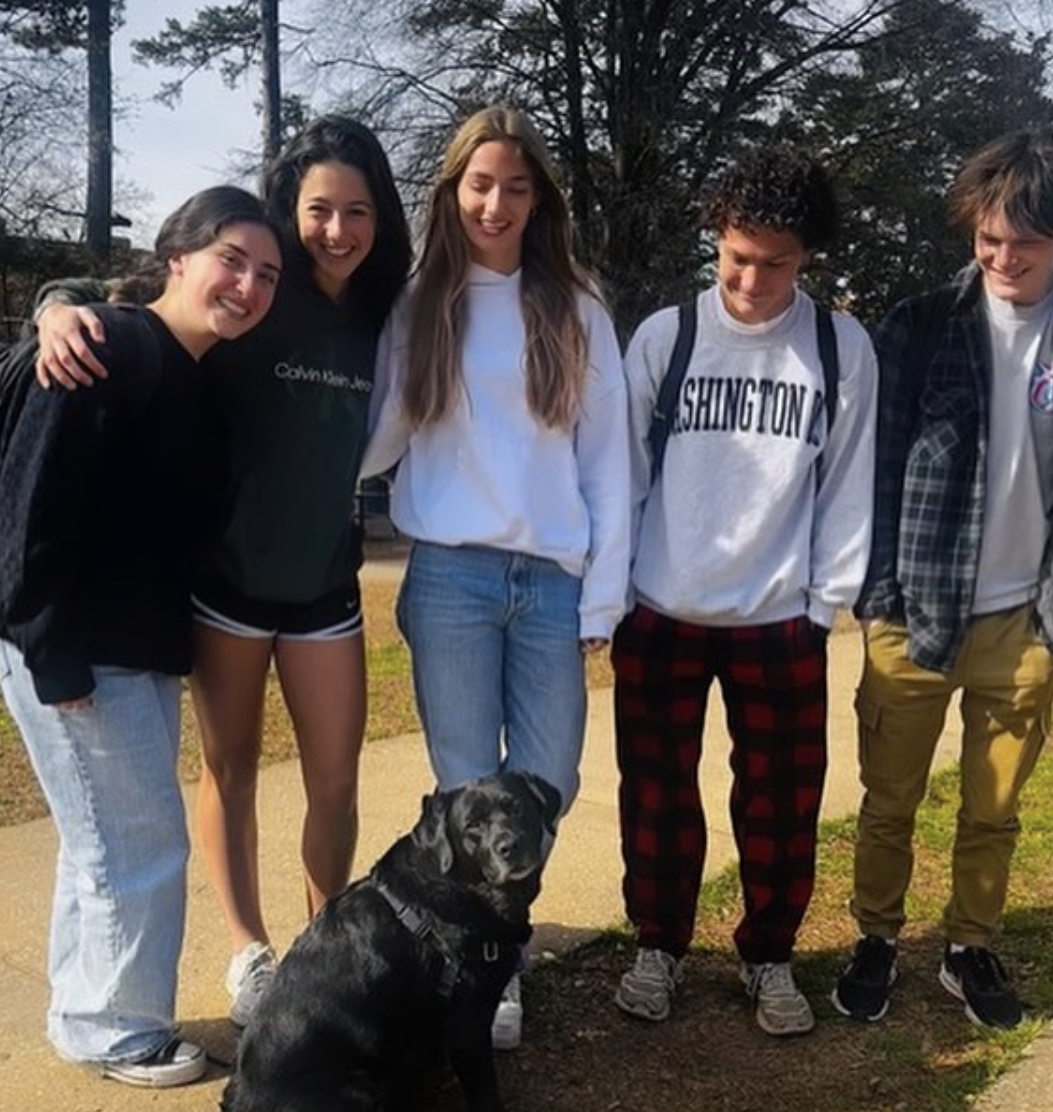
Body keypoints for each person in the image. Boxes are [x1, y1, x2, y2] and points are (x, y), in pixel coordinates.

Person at [33, 115, 413, 1027]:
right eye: (319, 208)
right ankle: (249, 951)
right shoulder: (252, 290)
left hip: (323, 587)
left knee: (335, 777)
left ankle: (327, 955)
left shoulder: (381, 309)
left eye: (356, 211)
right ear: (291, 208)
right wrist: (54, 299)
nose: (337, 229)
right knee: (229, 767)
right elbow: (134, 302)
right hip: (226, 586)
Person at [362, 104, 630, 1049]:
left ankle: (492, 943)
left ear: (539, 197)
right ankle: (486, 970)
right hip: (448, 579)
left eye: (516, 186)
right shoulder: (416, 302)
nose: (496, 203)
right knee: (469, 790)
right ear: (452, 191)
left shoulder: (577, 308)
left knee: (548, 778)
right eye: (480, 184)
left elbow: (607, 462)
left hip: (551, 580)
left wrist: (605, 591)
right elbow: (378, 435)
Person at [0, 186, 281, 1086]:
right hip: (76, 648)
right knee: (141, 842)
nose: (246, 284)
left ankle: (85, 1010)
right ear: (179, 258)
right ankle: (117, 1028)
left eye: (266, 274)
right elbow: (30, 500)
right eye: (231, 260)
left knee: (104, 841)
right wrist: (49, 646)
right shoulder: (104, 347)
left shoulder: (193, 374)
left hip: (137, 650)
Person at [612, 146, 877, 1036]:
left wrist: (820, 605)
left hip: (779, 621)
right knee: (655, 795)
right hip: (662, 610)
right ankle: (659, 945)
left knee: (780, 804)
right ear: (712, 239)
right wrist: (616, 592)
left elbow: (846, 481)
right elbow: (624, 472)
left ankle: (768, 956)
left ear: (807, 257)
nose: (753, 279)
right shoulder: (665, 337)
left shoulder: (840, 347)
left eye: (776, 262)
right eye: (736, 257)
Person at [831, 126, 1053, 1032]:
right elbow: (873, 470)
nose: (1001, 256)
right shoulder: (918, 328)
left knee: (991, 809)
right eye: (987, 236)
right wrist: (878, 595)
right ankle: (876, 938)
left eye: (1024, 241)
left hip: (1023, 621)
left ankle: (968, 946)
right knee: (887, 800)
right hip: (914, 609)